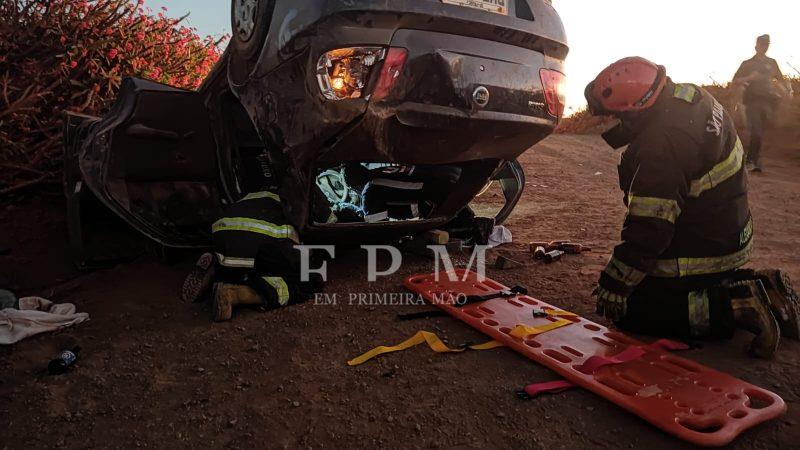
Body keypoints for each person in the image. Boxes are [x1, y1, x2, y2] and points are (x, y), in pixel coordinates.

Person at [584, 57, 800, 358]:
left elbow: (650, 230)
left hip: (704, 252)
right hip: (730, 232)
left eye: (614, 116)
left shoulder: (660, 147)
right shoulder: (691, 95)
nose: (611, 123)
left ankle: (737, 305)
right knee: (659, 283)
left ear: (634, 112)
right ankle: (766, 287)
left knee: (634, 310)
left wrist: (615, 284)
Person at [181, 191, 324, 321]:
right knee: (310, 281)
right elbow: (328, 222)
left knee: (245, 262)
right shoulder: (310, 194)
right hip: (262, 239)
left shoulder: (256, 194)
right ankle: (235, 293)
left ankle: (218, 267)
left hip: (222, 232)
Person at [732, 35, 791, 172]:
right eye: (762, 44)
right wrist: (749, 78)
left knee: (761, 132)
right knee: (757, 131)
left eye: (767, 44)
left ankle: (754, 159)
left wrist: (787, 90)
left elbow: (781, 79)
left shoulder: (772, 62)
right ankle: (750, 161)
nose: (765, 46)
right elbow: (735, 80)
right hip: (753, 101)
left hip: (769, 102)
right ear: (756, 45)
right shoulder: (747, 64)